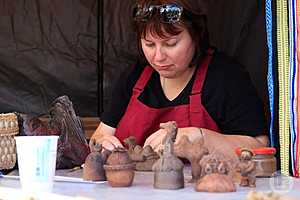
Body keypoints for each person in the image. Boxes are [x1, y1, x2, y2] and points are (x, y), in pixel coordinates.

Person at [90, 0, 269, 162]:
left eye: (170, 44)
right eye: (149, 44)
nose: (158, 57)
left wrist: (198, 137)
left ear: (196, 36)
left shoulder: (225, 77)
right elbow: (101, 135)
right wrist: (102, 144)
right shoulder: (134, 76)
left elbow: (259, 146)